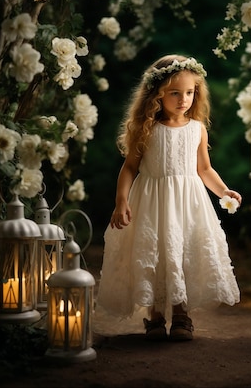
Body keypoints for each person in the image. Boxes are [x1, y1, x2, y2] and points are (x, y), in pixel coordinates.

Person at [93, 54, 242, 341]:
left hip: (188, 204)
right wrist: (121, 201)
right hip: (152, 203)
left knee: (182, 252)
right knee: (156, 254)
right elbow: (129, 168)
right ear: (156, 93)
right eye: (175, 93)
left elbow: (204, 169)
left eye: (189, 92)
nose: (183, 99)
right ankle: (155, 316)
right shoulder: (146, 127)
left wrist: (223, 191)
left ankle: (182, 315)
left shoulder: (196, 129)